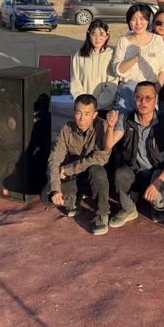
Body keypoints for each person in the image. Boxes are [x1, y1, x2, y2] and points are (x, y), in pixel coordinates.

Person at [108, 81, 164, 226]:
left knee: (159, 197)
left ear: (156, 100)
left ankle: (157, 208)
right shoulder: (125, 118)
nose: (143, 102)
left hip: (157, 173)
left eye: (148, 98)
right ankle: (129, 209)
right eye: (139, 97)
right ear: (133, 99)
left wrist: (157, 183)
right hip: (133, 171)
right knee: (120, 174)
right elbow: (108, 145)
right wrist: (110, 127)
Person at [45, 95, 112, 235]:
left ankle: (102, 214)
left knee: (97, 171)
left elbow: (100, 158)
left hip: (91, 176)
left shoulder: (103, 126)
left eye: (87, 114)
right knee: (46, 196)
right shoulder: (67, 129)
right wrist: (56, 189)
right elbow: (54, 159)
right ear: (73, 112)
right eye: (78, 113)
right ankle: (75, 198)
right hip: (75, 176)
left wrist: (68, 169)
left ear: (95, 115)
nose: (82, 118)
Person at [112, 4, 164, 113]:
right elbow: (117, 69)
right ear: (129, 21)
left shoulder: (157, 40)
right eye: (134, 19)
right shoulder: (123, 41)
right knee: (122, 125)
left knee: (149, 127)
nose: (138, 23)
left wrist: (155, 91)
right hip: (127, 90)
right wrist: (134, 59)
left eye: (142, 19)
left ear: (148, 20)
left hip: (150, 90)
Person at [71, 19, 117, 112]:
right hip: (83, 109)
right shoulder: (79, 55)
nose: (97, 38)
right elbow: (75, 81)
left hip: (105, 108)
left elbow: (112, 84)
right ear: (89, 35)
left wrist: (96, 105)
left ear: (107, 36)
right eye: (94, 34)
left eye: (101, 34)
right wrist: (84, 104)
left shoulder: (112, 55)